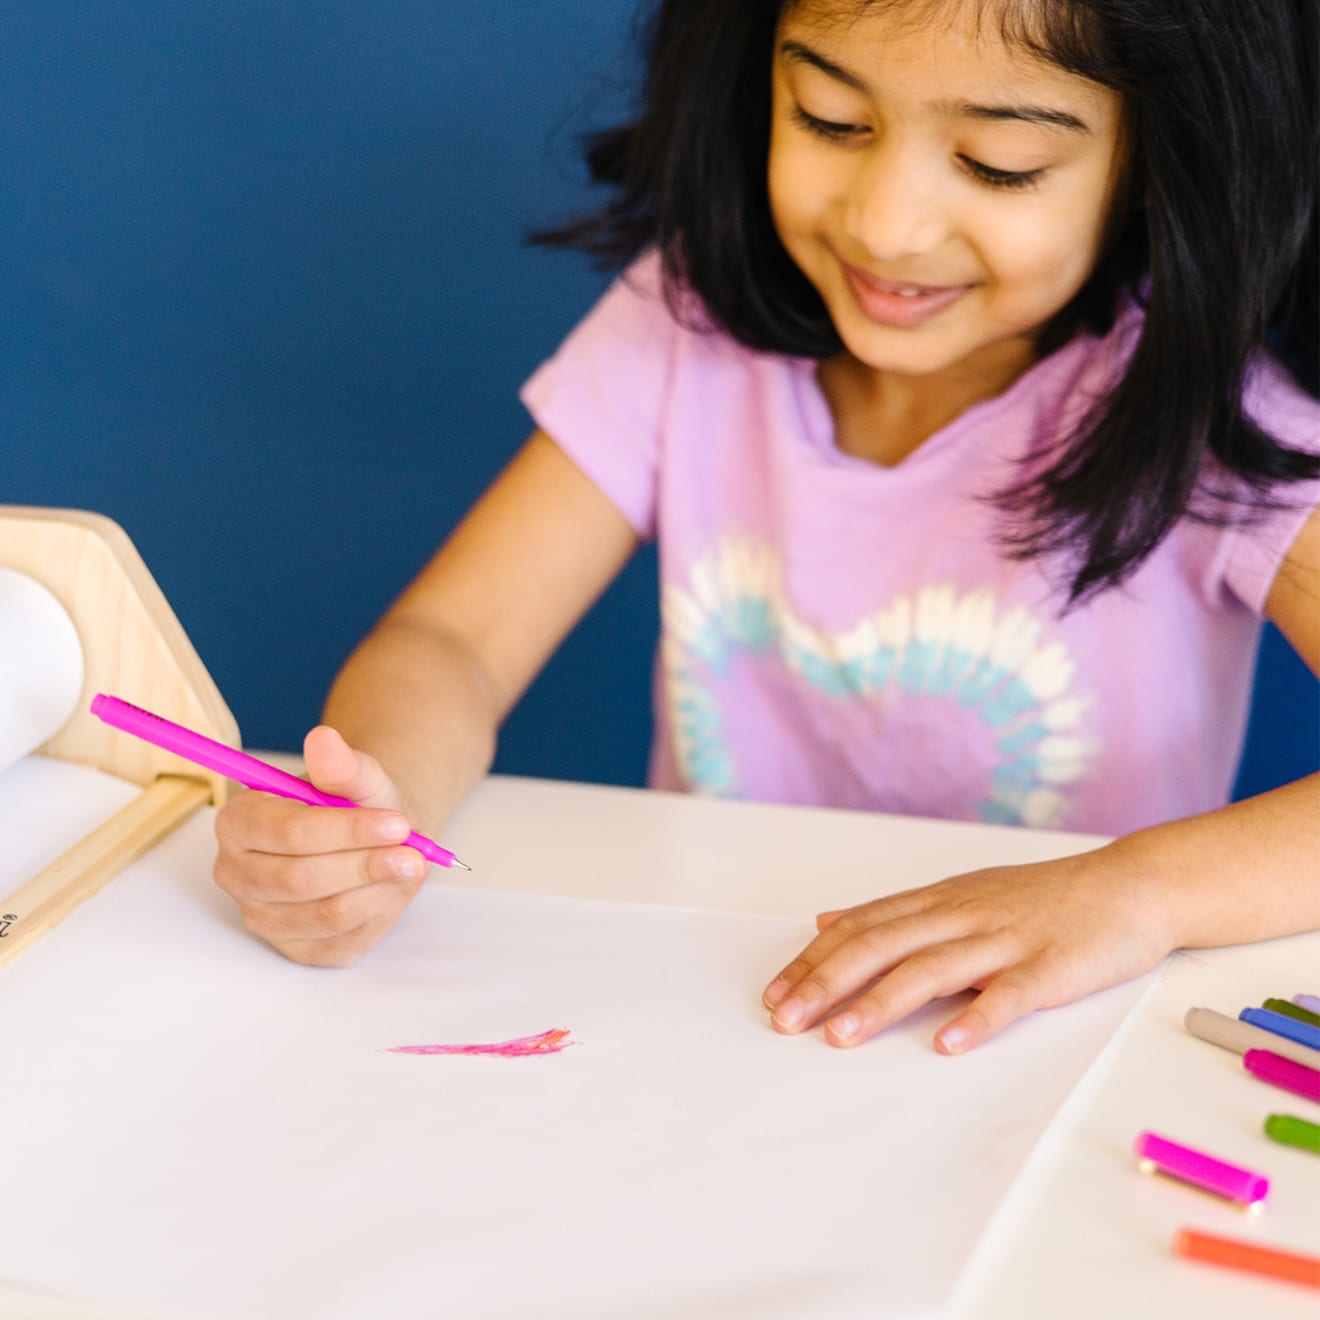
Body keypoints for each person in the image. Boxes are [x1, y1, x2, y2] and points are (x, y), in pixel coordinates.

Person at [213, 0, 1320, 1055]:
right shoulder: (683, 327)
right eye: (831, 120)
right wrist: (368, 812)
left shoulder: (1216, 421)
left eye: (998, 163)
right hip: (704, 1020)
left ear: (1165, 156)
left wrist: (1135, 893)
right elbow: (453, 639)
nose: (886, 222)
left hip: (1038, 1057)